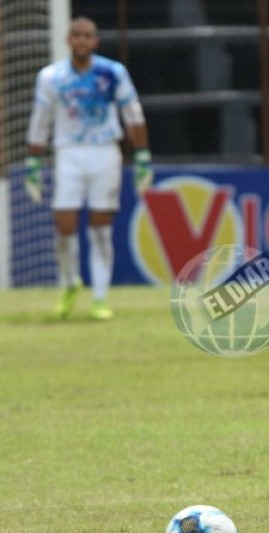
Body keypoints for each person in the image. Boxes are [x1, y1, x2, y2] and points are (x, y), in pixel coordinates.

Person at [25, 16, 153, 320]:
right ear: (68, 40)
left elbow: (132, 114)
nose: (82, 40)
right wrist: (33, 160)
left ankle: (99, 296)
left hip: (104, 151)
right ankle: (71, 281)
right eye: (76, 34)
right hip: (68, 152)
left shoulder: (112, 73)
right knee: (64, 221)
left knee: (100, 226)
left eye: (87, 35)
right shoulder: (52, 77)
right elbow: (40, 120)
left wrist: (142, 155)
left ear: (95, 41)